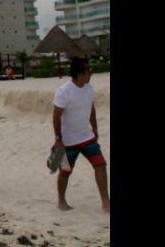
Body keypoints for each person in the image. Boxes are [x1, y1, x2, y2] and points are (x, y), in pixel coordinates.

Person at [52, 57, 109, 212]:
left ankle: (106, 202)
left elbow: (91, 107)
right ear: (79, 74)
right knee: (65, 171)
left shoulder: (89, 88)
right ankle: (61, 202)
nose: (90, 73)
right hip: (67, 141)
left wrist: (95, 128)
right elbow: (56, 116)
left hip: (87, 137)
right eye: (88, 70)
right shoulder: (64, 91)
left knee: (101, 165)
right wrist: (58, 139)